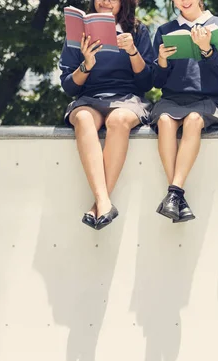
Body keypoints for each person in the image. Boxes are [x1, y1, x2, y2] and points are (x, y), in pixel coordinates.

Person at [59, 0, 154, 230]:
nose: (106, 1)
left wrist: (132, 51)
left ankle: (99, 204)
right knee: (82, 118)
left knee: (119, 120)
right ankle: (104, 203)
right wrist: (87, 64)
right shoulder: (79, 31)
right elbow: (69, 86)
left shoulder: (138, 31)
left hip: (127, 99)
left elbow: (147, 82)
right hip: (89, 98)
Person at [151, 0, 218, 222]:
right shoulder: (165, 30)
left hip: (206, 99)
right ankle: (176, 194)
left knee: (193, 120)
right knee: (165, 121)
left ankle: (174, 193)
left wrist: (206, 49)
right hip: (171, 99)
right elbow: (157, 81)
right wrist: (162, 60)